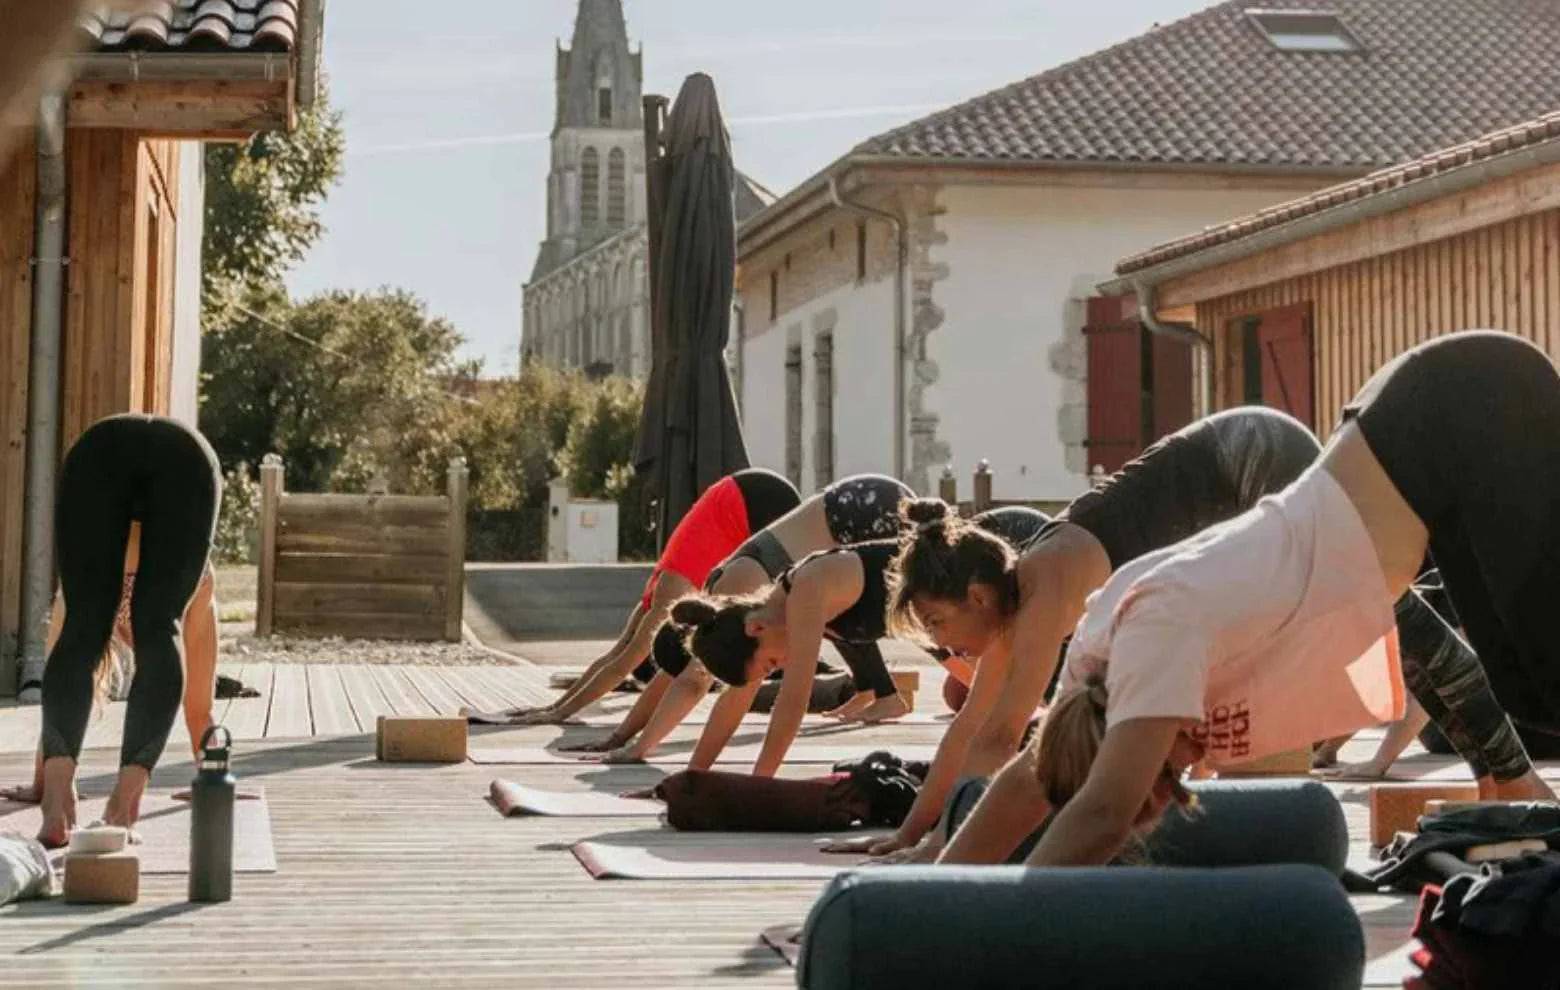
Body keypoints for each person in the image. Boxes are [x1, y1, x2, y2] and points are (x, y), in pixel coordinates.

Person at [948, 331, 1557, 869]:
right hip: (1427, 435)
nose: (1190, 767)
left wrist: (1007, 934)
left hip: (1463, 406)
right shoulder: (1094, 669)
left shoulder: (1154, 632)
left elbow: (1103, 813)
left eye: (1168, 772)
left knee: (1551, 687)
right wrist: (932, 893)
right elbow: (1029, 781)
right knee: (1530, 694)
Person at [556, 474, 915, 762]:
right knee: (835, 617)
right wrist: (624, 738)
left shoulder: (736, 597)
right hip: (852, 509)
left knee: (925, 610)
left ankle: (886, 692)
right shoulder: (717, 615)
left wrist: (637, 746)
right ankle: (879, 690)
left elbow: (703, 687)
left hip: (865, 508)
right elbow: (681, 682)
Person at [1, 415, 222, 847]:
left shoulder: (81, 600)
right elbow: (199, 708)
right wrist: (212, 774)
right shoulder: (191, 590)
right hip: (187, 460)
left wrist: (47, 784)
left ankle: (58, 811)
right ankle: (124, 807)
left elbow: (62, 674)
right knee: (159, 628)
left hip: (99, 449)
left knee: (82, 633)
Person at [492, 469, 799, 726]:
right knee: (790, 607)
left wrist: (558, 712)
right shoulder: (662, 591)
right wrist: (555, 709)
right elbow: (616, 657)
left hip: (757, 498)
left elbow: (622, 663)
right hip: (747, 496)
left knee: (795, 608)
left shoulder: (668, 595)